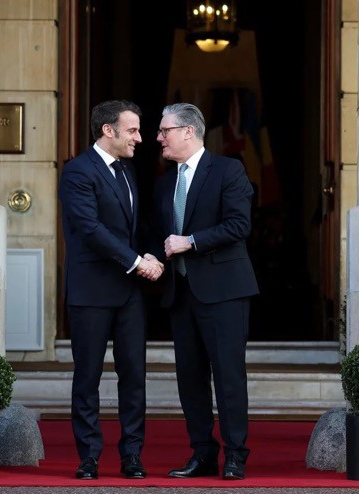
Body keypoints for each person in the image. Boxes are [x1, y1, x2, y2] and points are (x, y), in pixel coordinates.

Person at [150, 102, 259, 480]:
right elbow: (160, 236)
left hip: (224, 292)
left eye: (165, 130)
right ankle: (202, 453)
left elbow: (239, 225)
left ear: (189, 131)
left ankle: (235, 455)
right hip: (181, 294)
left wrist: (191, 241)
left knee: (228, 376)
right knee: (190, 379)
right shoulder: (165, 182)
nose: (158, 137)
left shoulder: (228, 170)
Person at [59, 100, 164, 481]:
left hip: (129, 293)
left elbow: (134, 227)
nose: (140, 138)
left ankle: (132, 455)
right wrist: (137, 262)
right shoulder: (77, 171)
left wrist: (150, 253)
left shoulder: (127, 170)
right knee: (87, 377)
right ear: (108, 130)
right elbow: (90, 228)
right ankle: (88, 457)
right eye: (132, 130)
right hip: (91, 292)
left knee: (134, 377)